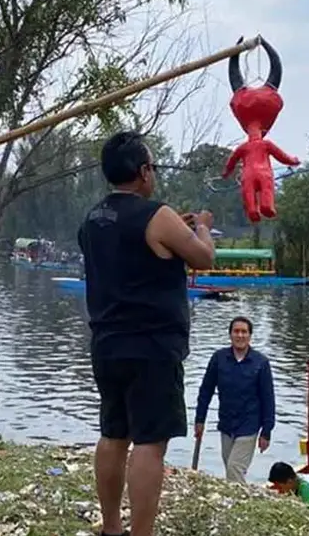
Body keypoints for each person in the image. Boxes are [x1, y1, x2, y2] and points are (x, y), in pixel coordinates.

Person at [77, 131, 216, 536]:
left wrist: (178, 228)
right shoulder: (157, 214)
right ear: (142, 172)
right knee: (150, 443)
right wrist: (202, 226)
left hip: (106, 343)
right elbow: (204, 258)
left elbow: (133, 249)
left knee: (113, 433)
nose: (153, 174)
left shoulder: (92, 219)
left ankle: (111, 528)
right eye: (151, 167)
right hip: (152, 347)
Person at [194, 315, 276, 483]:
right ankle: (240, 501)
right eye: (236, 332)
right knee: (230, 468)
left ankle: (240, 506)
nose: (240, 336)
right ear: (230, 334)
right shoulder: (219, 359)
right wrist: (199, 419)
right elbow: (206, 391)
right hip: (226, 423)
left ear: (250, 336)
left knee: (235, 468)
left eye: (244, 332)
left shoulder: (260, 363)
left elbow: (268, 399)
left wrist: (266, 431)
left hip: (249, 424)